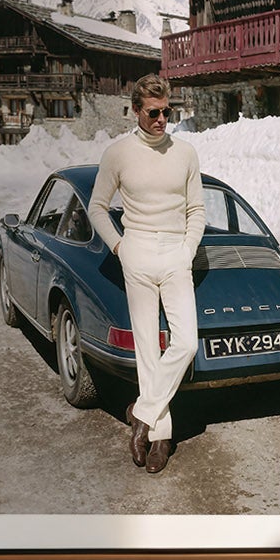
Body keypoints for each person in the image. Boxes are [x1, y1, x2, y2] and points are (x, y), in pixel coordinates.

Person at [86, 75, 206, 475]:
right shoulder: (118, 153)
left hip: (175, 253)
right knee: (147, 350)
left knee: (186, 342)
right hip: (136, 250)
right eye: (153, 112)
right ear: (136, 111)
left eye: (167, 111)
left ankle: (142, 412)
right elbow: (97, 208)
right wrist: (120, 247)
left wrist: (186, 251)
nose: (161, 120)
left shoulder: (185, 152)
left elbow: (197, 211)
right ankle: (160, 436)